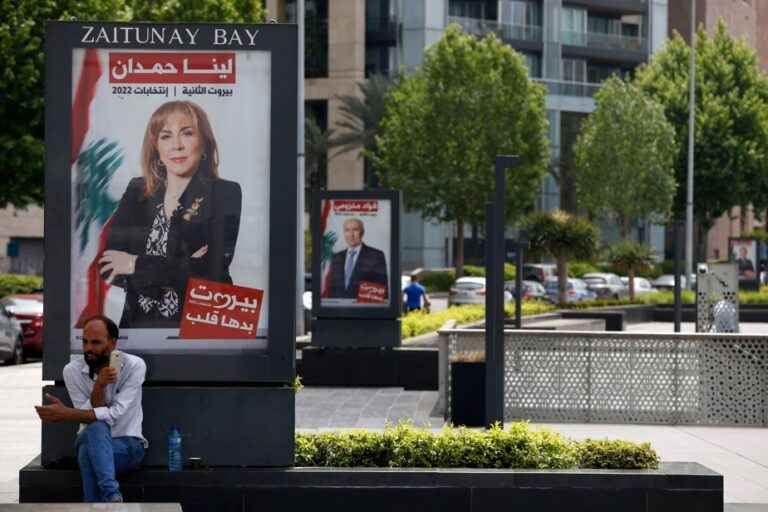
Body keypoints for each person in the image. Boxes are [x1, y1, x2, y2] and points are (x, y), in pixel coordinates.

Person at [95, 100, 242, 328]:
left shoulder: (224, 192)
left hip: (203, 327)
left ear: (204, 143)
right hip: (137, 329)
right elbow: (107, 267)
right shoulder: (137, 191)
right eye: (166, 136)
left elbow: (211, 270)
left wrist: (134, 264)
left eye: (187, 133)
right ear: (156, 148)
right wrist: (182, 267)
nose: (177, 145)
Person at [35, 315, 147, 503]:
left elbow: (115, 414)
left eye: (95, 342)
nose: (88, 348)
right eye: (85, 342)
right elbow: (89, 417)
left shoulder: (134, 366)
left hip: (128, 446)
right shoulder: (72, 371)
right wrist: (99, 386)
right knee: (95, 427)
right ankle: (112, 495)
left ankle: (106, 497)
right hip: (89, 438)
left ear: (112, 343)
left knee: (88, 452)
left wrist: (67, 414)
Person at [327, 218, 388, 300]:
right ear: (344, 233)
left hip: (363, 310)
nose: (351, 234)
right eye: (347, 230)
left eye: (355, 230)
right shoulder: (336, 258)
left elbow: (380, 289)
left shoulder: (376, 256)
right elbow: (332, 289)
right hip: (339, 310)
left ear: (362, 233)